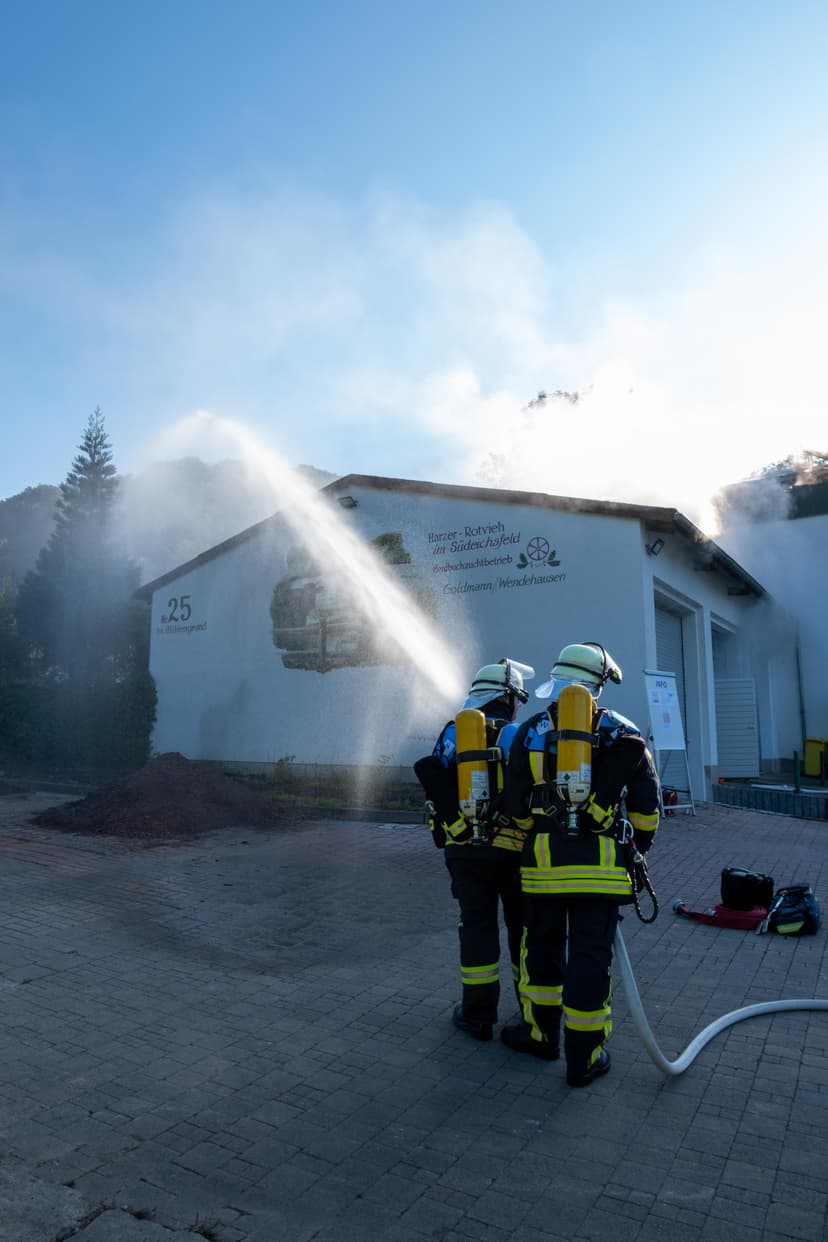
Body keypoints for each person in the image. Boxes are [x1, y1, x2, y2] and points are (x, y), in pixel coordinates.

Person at [501, 642, 660, 1085]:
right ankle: (584, 1058)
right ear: (599, 684)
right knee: (592, 959)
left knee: (541, 956)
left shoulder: (528, 732)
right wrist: (638, 846)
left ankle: (540, 1037)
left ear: (557, 679)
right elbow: (647, 811)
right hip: (603, 871)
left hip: (542, 870)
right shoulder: (622, 733)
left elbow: (514, 808)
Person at [414, 658, 535, 1041]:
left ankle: (477, 1016)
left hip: (465, 850)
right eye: (518, 698)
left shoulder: (454, 732)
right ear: (506, 697)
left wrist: (457, 824)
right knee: (523, 933)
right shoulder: (520, 734)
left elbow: (433, 773)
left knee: (477, 929)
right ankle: (531, 1018)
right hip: (515, 851)